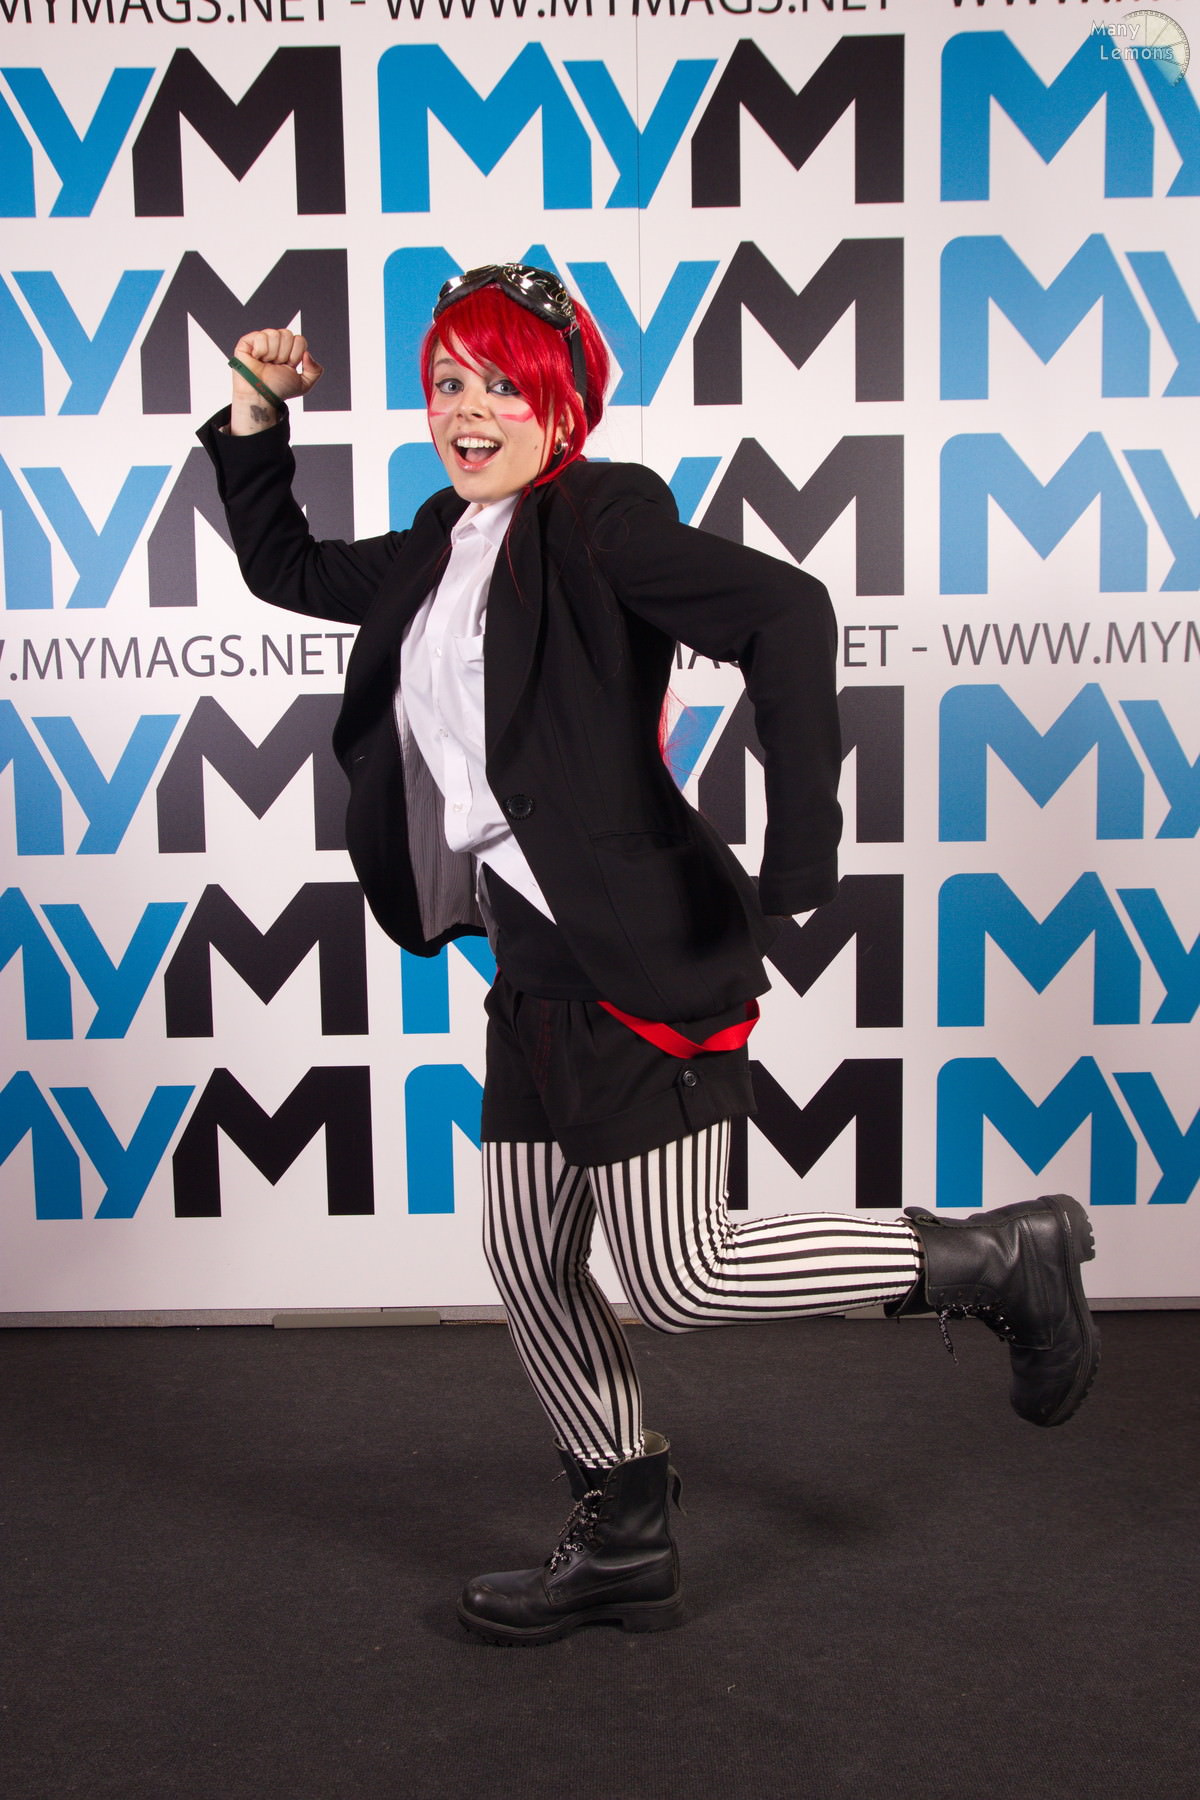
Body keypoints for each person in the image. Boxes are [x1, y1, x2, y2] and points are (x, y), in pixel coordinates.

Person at [199, 264, 1100, 1647]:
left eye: (502, 384)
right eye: (448, 383)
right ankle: (622, 1532)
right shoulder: (444, 538)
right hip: (532, 969)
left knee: (684, 1275)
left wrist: (805, 845)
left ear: (562, 402)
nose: (467, 410)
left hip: (641, 954)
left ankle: (995, 1256)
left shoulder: (601, 520)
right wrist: (258, 409)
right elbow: (291, 571)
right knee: (528, 1257)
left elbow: (786, 612)